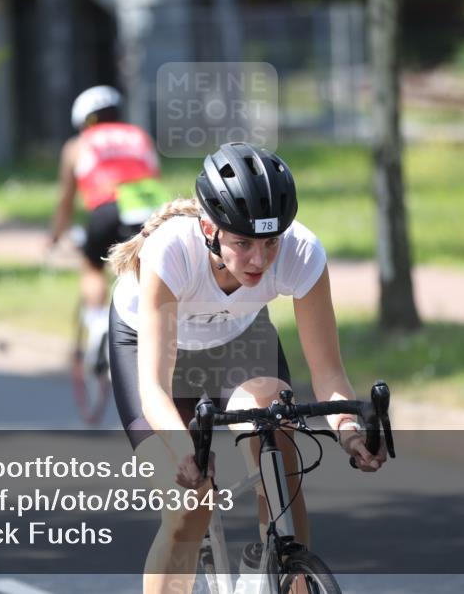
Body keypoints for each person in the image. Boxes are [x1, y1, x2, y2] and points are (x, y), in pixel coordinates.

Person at [106, 142, 386, 594]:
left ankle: (278, 567)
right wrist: (185, 452)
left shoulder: (301, 253)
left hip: (239, 339)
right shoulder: (170, 252)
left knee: (280, 465)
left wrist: (350, 433)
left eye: (271, 242)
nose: (259, 260)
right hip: (152, 348)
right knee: (189, 505)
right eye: (243, 243)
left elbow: (329, 374)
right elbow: (153, 388)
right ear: (209, 230)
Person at [49, 85, 168, 373]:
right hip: (151, 212)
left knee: (92, 265)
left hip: (108, 207)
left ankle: (99, 322)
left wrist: (56, 235)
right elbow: (154, 174)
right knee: (151, 269)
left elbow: (66, 199)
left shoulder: (78, 144)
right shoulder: (140, 136)